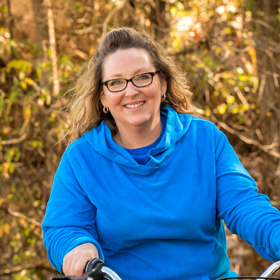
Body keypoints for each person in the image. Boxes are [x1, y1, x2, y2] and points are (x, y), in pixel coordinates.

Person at [42, 27, 280, 280]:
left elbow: (244, 205)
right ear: (103, 97)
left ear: (163, 83)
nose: (131, 91)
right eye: (116, 82)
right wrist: (79, 248)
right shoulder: (81, 158)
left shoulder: (205, 140)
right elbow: (65, 228)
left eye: (142, 77)